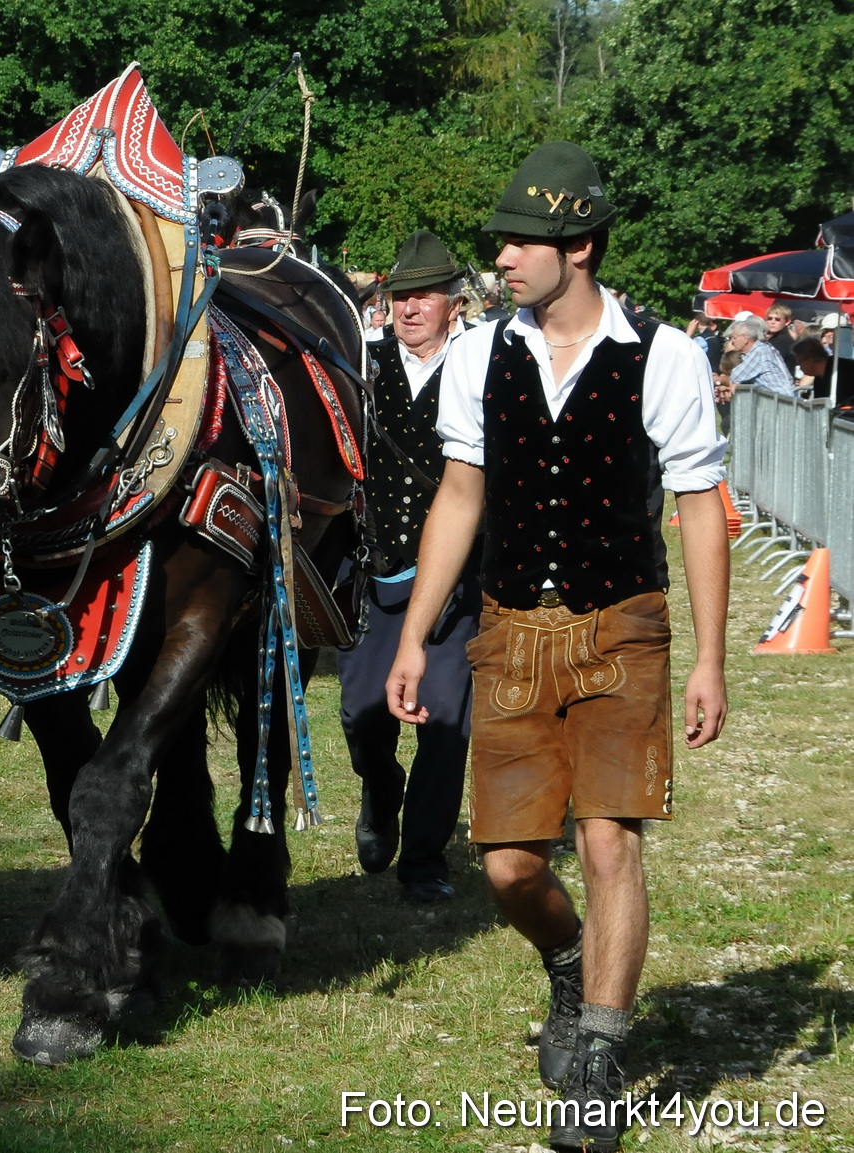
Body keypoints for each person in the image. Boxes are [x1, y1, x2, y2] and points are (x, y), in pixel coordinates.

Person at [385, 142, 728, 1153]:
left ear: (577, 245)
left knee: (608, 839)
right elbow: (459, 496)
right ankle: (572, 961)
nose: (500, 258)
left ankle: (598, 1057)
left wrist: (708, 657)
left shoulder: (660, 354)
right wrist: (414, 636)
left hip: (620, 624)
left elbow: (699, 508)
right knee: (503, 866)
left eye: (518, 240)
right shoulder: (478, 353)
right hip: (509, 630)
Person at [339, 229, 476, 904]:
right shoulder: (356, 365)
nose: (409, 307)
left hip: (456, 585)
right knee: (361, 714)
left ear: (454, 303)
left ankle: (423, 861)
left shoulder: (483, 366)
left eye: (423, 294)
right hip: (374, 576)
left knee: (445, 724)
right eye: (399, 295)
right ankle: (378, 786)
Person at [726, 316, 795, 396]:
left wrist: (718, 380)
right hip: (778, 400)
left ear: (745, 338)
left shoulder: (760, 351)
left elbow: (736, 376)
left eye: (734, 338)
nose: (732, 341)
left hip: (782, 401)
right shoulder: (759, 350)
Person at [795, 336, 854, 410]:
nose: (800, 367)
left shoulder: (844, 370)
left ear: (810, 361)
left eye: (799, 362)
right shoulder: (819, 377)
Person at [764, 304, 796, 374]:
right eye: (769, 318)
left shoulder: (784, 340)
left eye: (777, 319)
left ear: (787, 322)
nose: (772, 322)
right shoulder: (773, 337)